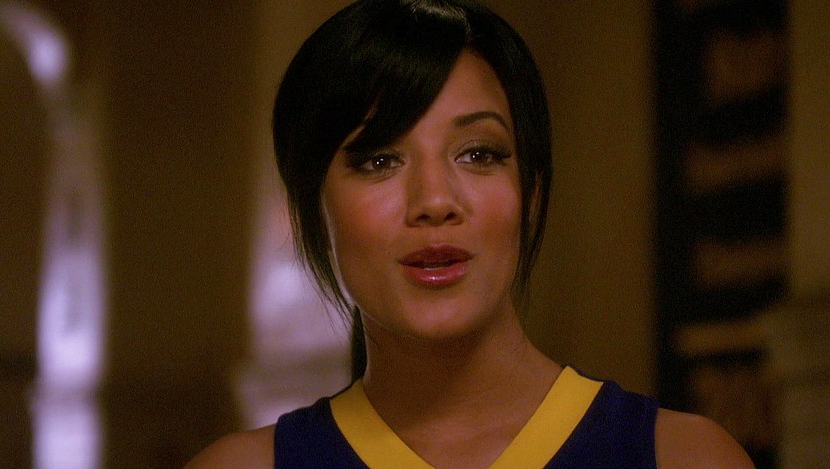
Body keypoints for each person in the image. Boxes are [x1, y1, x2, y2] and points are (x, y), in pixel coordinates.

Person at [187, 0, 755, 467]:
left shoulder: (684, 456)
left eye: (479, 154)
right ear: (313, 210)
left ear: (531, 194)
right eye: (380, 160)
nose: (435, 201)